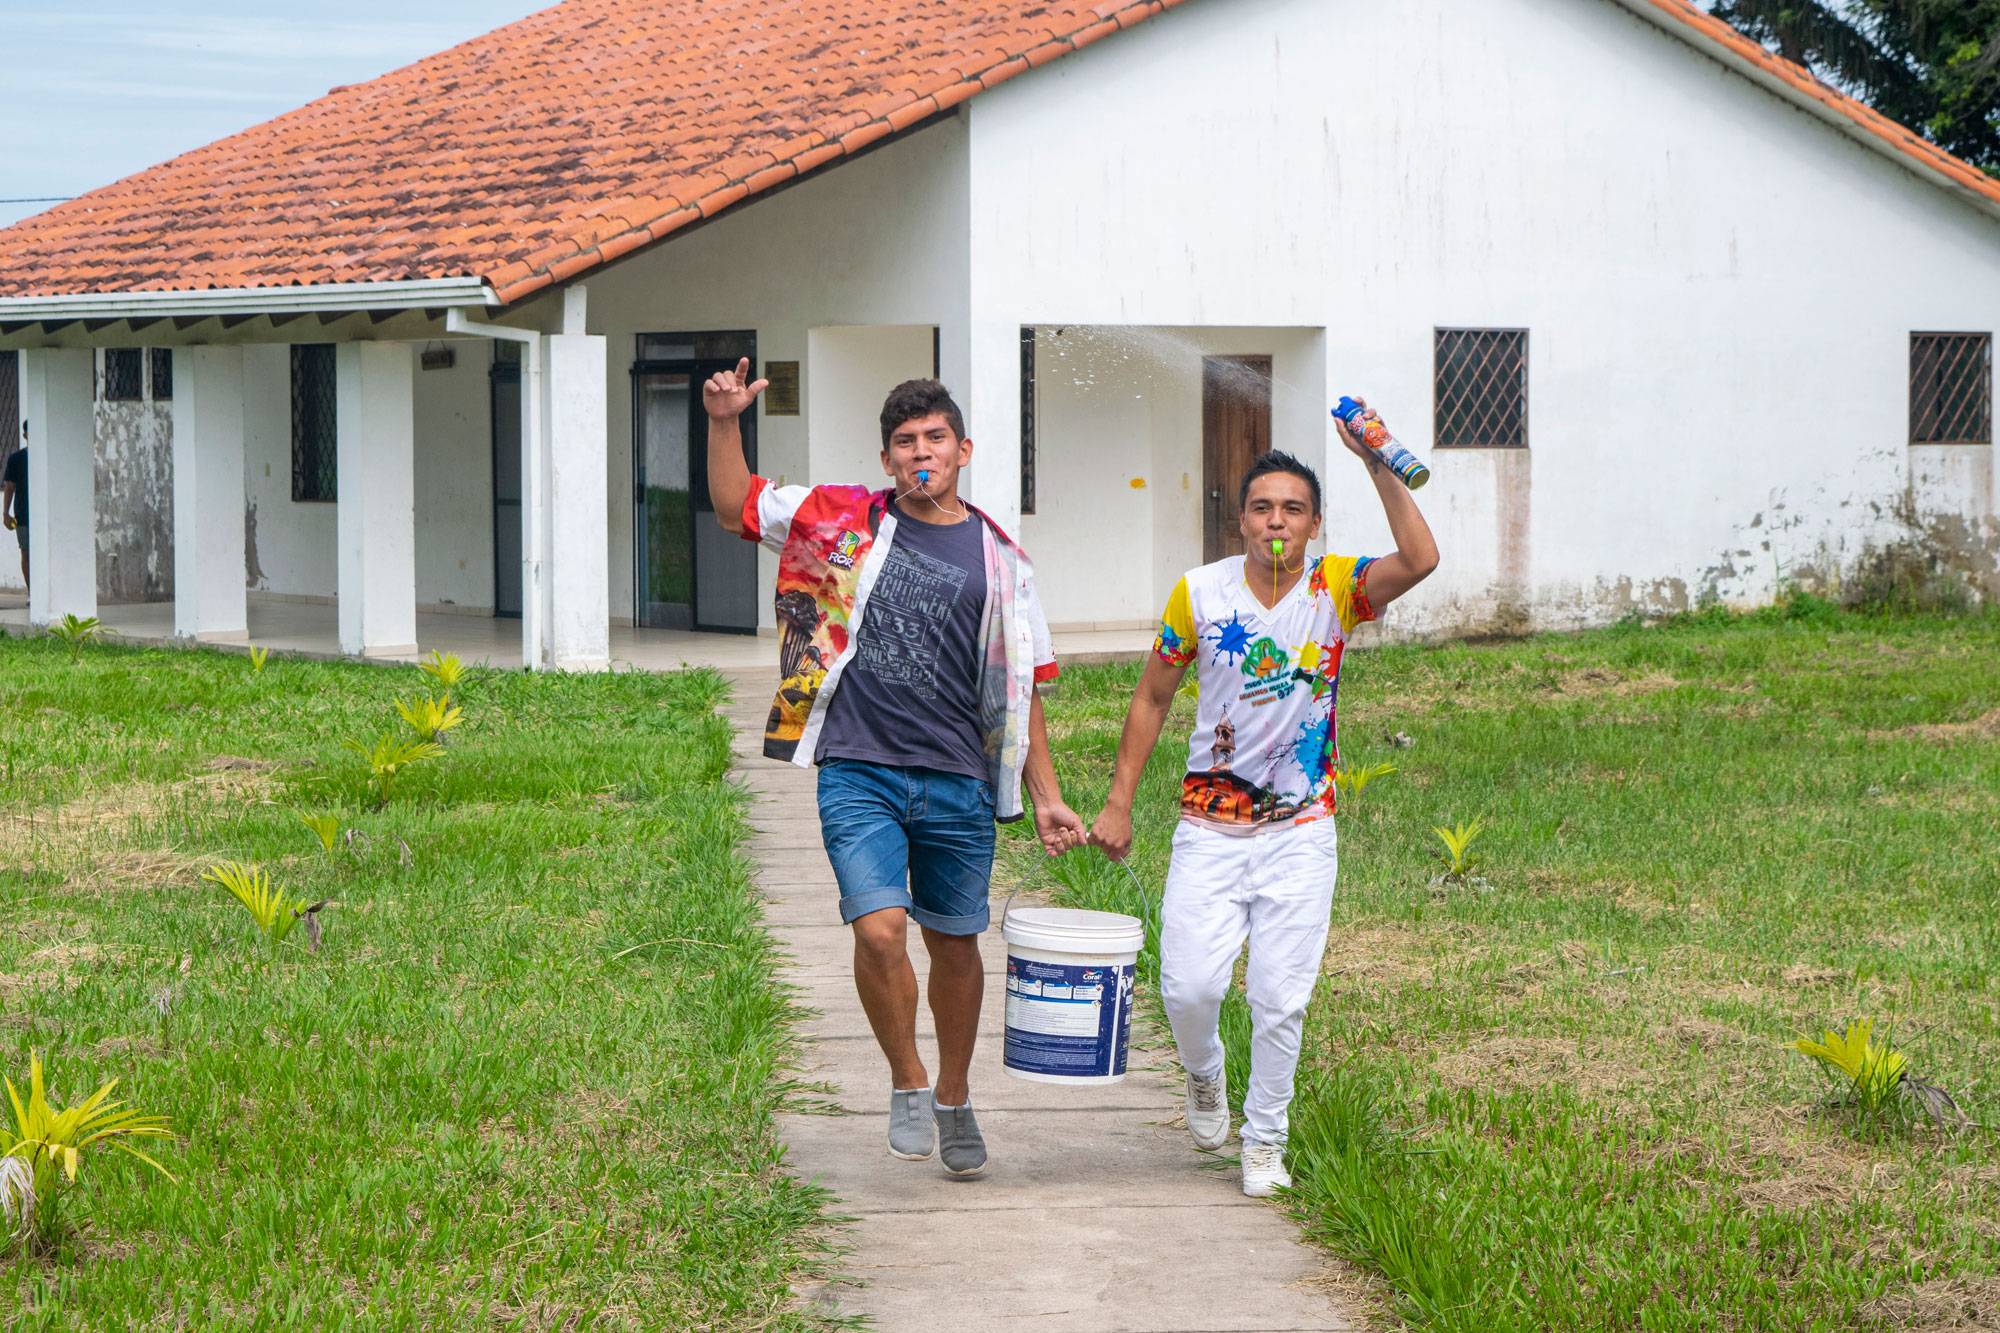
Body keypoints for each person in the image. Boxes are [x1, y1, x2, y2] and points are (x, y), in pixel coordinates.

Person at [704, 362, 1086, 1178]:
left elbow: (1027, 691)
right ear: (887, 458)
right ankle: (907, 1079)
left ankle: (953, 1093)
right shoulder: (838, 517)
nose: (922, 451)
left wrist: (1047, 797)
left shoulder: (1006, 564)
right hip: (858, 766)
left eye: (935, 438)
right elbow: (735, 497)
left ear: (963, 451)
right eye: (906, 441)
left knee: (954, 945)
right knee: (878, 929)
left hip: (957, 778)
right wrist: (724, 419)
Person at [1089, 411, 1439, 1197]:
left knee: (1281, 1000)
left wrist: (1378, 459)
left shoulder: (1338, 589)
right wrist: (1118, 803)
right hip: (1208, 829)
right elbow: (1151, 695)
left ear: (1314, 522)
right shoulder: (1200, 593)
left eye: (1292, 509)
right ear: (1239, 518)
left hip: (1301, 832)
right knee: (1188, 987)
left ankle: (1265, 1141)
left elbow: (1421, 557)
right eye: (1261, 507)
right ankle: (1204, 1073)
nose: (1275, 521)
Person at [2, 433, 25, 592]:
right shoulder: (16, 459)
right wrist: (6, 514)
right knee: (26, 552)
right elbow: (9, 487)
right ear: (24, 434)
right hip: (23, 514)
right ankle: (33, 593)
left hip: (46, 515)